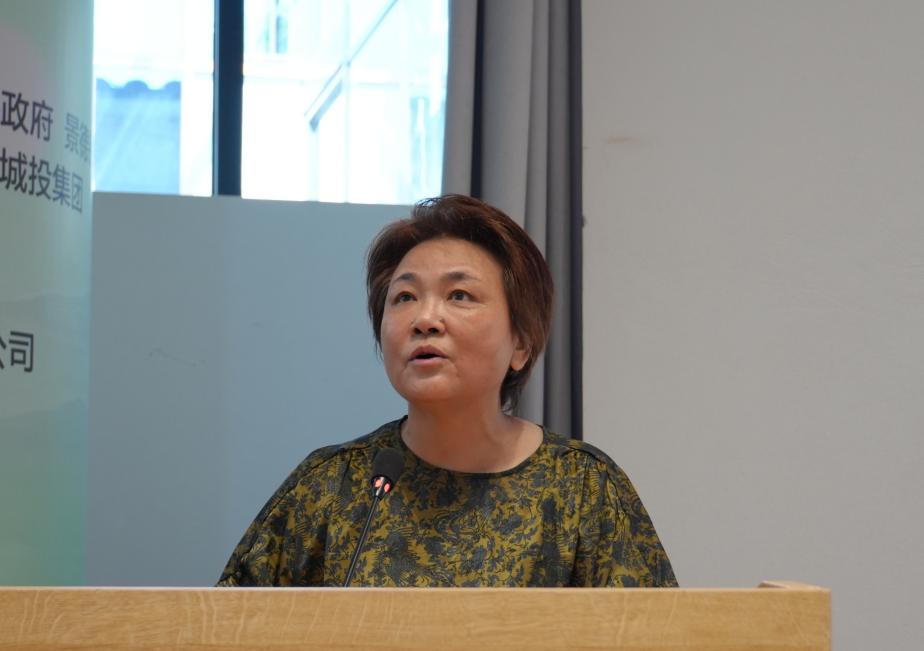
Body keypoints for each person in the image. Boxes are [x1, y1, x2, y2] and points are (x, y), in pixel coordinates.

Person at [217, 194, 676, 588]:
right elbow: (221, 630)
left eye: (459, 295)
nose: (425, 319)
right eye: (404, 297)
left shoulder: (583, 489)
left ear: (521, 343)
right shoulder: (329, 487)